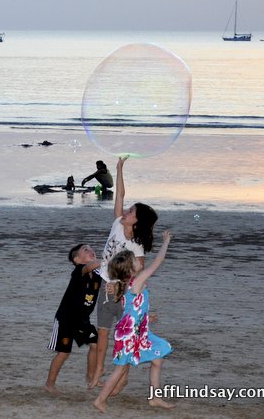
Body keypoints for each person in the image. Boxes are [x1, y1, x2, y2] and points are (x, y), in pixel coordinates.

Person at [90, 156, 157, 389]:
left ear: (136, 222)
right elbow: (120, 195)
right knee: (102, 332)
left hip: (122, 294)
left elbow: (139, 278)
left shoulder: (136, 249)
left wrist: (118, 287)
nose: (126, 212)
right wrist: (119, 168)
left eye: (131, 212)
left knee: (124, 335)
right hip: (103, 284)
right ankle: (99, 370)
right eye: (128, 210)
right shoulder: (118, 223)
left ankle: (123, 376)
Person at [92, 231, 175, 412]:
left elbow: (133, 307)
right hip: (129, 333)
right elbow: (158, 263)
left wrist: (147, 316)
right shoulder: (136, 282)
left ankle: (155, 398)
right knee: (120, 369)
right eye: (136, 261)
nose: (140, 261)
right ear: (131, 270)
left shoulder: (125, 283)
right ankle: (100, 400)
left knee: (157, 358)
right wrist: (166, 242)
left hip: (139, 330)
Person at [45, 243, 102, 394]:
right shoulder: (79, 271)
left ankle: (90, 376)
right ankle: (50, 383)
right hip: (66, 319)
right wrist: (107, 259)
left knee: (95, 343)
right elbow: (90, 267)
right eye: (86, 249)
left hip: (83, 320)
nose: (91, 250)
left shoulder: (97, 276)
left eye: (91, 248)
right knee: (64, 353)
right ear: (77, 259)